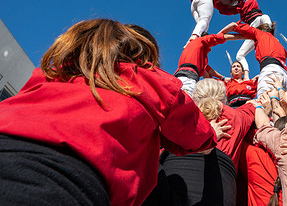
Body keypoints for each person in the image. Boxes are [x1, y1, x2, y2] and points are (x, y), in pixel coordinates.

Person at [0, 19, 218, 206]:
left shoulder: (49, 74)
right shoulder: (149, 81)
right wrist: (211, 137)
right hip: (65, 176)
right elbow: (195, 134)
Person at [147, 78, 256, 206]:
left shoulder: (181, 112)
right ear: (224, 98)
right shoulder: (238, 117)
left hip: (173, 178)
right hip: (221, 190)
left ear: (193, 96)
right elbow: (255, 106)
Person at [215, 0, 272, 80]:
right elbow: (224, 10)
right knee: (239, 55)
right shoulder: (238, 7)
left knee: (265, 17)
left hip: (259, 20)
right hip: (252, 28)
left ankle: (270, 37)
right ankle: (246, 77)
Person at [220, 22, 287, 98]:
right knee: (285, 105)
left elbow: (233, 25)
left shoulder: (258, 33)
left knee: (265, 103)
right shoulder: (279, 44)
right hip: (285, 76)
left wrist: (217, 36)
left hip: (271, 71)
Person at [187, 0, 253, 45]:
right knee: (204, 21)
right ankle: (194, 37)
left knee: (203, 26)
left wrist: (237, 9)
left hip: (195, 2)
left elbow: (222, 9)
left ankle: (188, 44)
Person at [175, 30, 245, 96]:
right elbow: (223, 36)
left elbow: (207, 71)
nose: (211, 48)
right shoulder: (202, 40)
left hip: (178, 77)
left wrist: (222, 78)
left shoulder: (192, 50)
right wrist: (247, 36)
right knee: (185, 103)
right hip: (189, 78)